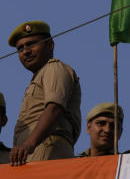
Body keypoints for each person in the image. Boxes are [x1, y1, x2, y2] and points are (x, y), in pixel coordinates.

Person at [8, 21, 82, 165]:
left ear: (50, 45)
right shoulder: (40, 76)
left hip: (45, 148)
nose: (26, 51)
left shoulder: (54, 68)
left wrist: (29, 144)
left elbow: (54, 108)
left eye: (31, 44)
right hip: (34, 151)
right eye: (20, 48)